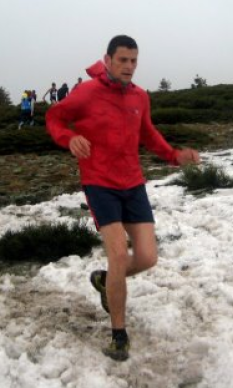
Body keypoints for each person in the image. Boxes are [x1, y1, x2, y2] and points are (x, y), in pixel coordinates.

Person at [46, 35, 200, 361]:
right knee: (118, 254)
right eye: (123, 61)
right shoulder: (86, 92)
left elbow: (148, 133)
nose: (129, 66)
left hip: (133, 183)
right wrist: (69, 137)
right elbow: (55, 118)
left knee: (147, 257)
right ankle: (119, 333)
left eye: (133, 61)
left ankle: (105, 281)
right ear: (108, 60)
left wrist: (174, 156)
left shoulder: (140, 97)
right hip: (99, 182)